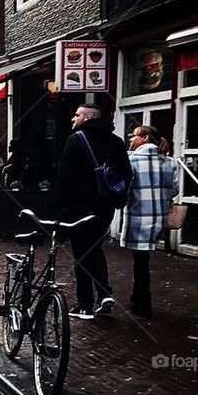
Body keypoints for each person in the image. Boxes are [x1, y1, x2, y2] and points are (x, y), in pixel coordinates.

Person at [58, 104, 133, 320]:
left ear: (88, 117)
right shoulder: (116, 141)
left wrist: (62, 210)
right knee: (95, 249)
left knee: (81, 253)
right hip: (105, 206)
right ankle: (104, 293)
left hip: (80, 207)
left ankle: (85, 305)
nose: (73, 118)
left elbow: (65, 177)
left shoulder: (77, 140)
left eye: (77, 114)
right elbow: (126, 174)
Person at [120, 126, 176, 318]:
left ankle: (141, 300)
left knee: (140, 261)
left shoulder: (131, 160)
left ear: (144, 138)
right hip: (158, 216)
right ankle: (140, 298)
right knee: (143, 259)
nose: (130, 141)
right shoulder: (169, 162)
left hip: (138, 215)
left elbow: (124, 187)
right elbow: (174, 189)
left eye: (133, 137)